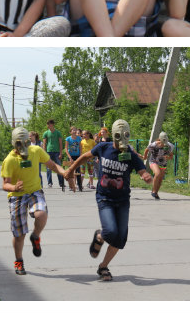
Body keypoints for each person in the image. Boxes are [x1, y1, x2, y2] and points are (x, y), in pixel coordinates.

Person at [64, 119, 155, 282]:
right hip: (104, 198)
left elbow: (141, 170)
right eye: (119, 135)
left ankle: (103, 266)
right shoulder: (103, 147)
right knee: (111, 231)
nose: (122, 138)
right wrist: (71, 169)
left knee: (120, 239)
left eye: (126, 135)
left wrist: (146, 175)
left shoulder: (131, 154)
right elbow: (85, 156)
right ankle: (100, 236)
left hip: (122, 200)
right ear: (113, 135)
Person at [2, 126, 67, 276]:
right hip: (17, 195)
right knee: (19, 234)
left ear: (28, 141)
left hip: (34, 191)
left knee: (41, 214)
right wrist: (14, 187)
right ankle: (19, 261)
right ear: (14, 144)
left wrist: (64, 173)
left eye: (25, 142)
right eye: (19, 144)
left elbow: (51, 164)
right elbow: (5, 184)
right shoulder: (10, 160)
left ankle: (36, 236)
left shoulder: (36, 151)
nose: (23, 146)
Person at [143, 132, 175, 199]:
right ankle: (153, 191)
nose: (164, 144)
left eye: (166, 141)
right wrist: (145, 157)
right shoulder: (154, 145)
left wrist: (168, 157)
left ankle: (156, 193)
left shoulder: (169, 146)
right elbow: (147, 149)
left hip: (163, 163)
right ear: (160, 140)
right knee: (157, 173)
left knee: (160, 179)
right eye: (163, 141)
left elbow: (171, 156)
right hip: (153, 161)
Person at [41, 120, 64, 190]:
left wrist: (61, 153)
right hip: (48, 151)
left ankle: (61, 182)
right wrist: (44, 153)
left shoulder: (58, 133)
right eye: (48, 124)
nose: (48, 126)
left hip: (56, 152)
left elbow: (60, 143)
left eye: (50, 124)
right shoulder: (46, 133)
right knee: (48, 168)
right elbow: (44, 144)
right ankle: (49, 182)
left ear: (53, 125)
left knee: (58, 167)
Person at [64, 127, 84, 192]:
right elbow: (66, 149)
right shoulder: (68, 139)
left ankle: (80, 186)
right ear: (70, 132)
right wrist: (70, 157)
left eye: (75, 130)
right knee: (71, 171)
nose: (75, 131)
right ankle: (71, 186)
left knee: (78, 171)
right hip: (71, 156)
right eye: (73, 130)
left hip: (77, 156)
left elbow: (80, 147)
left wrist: (80, 156)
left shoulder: (79, 138)